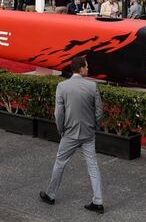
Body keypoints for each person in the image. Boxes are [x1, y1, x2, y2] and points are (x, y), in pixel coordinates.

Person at [40, 56, 104, 214]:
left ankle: (51, 194)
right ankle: (98, 201)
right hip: (88, 133)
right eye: (87, 66)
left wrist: (61, 129)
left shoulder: (62, 86)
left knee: (60, 163)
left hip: (69, 132)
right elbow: (99, 111)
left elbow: (58, 113)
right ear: (81, 69)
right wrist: (95, 127)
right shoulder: (92, 86)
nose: (88, 69)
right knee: (93, 166)